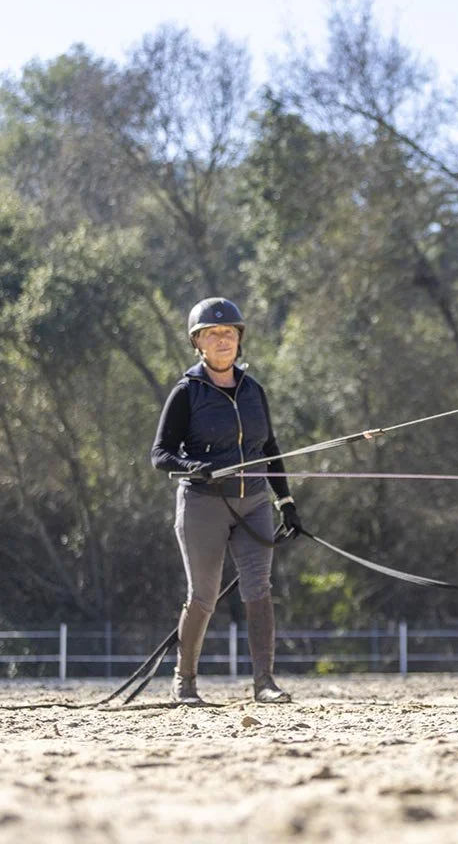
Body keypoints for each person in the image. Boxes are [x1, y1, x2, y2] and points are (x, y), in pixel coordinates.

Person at [150, 297, 301, 705]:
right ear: (197, 342)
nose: (223, 340)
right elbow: (160, 454)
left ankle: (264, 683)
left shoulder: (253, 391)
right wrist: (193, 466)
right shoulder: (187, 392)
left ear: (239, 340)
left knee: (259, 589)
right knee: (203, 595)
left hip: (253, 503)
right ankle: (185, 682)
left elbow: (269, 448)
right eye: (213, 334)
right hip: (204, 503)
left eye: (229, 333)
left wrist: (285, 501)